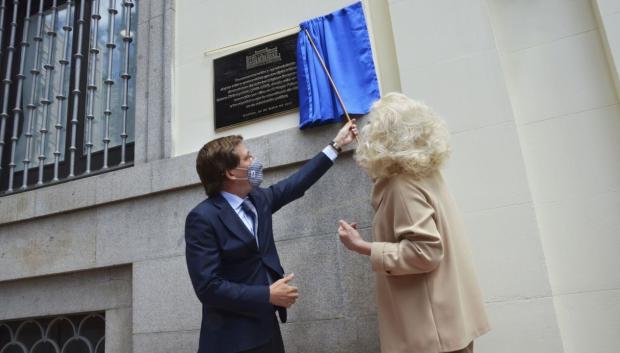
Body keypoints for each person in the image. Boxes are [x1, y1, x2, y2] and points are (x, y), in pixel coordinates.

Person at [185, 120, 357, 353]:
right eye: (247, 158)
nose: (255, 161)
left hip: (267, 331)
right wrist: (267, 294)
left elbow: (295, 185)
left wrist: (336, 146)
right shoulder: (203, 218)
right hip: (230, 341)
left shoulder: (258, 200)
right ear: (230, 172)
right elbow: (208, 287)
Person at [337, 93, 490, 353]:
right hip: (448, 322)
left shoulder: (402, 185)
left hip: (432, 334)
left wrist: (362, 246)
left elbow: (426, 252)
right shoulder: (425, 172)